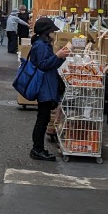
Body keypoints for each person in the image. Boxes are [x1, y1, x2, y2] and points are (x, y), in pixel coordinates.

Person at [26, 17, 71, 162]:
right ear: (46, 32)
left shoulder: (41, 44)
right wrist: (58, 56)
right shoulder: (41, 46)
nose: (53, 34)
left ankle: (38, 148)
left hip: (46, 85)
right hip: (44, 86)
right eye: (51, 31)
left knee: (43, 118)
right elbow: (44, 65)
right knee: (42, 118)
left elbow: (48, 64)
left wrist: (60, 57)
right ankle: (37, 149)